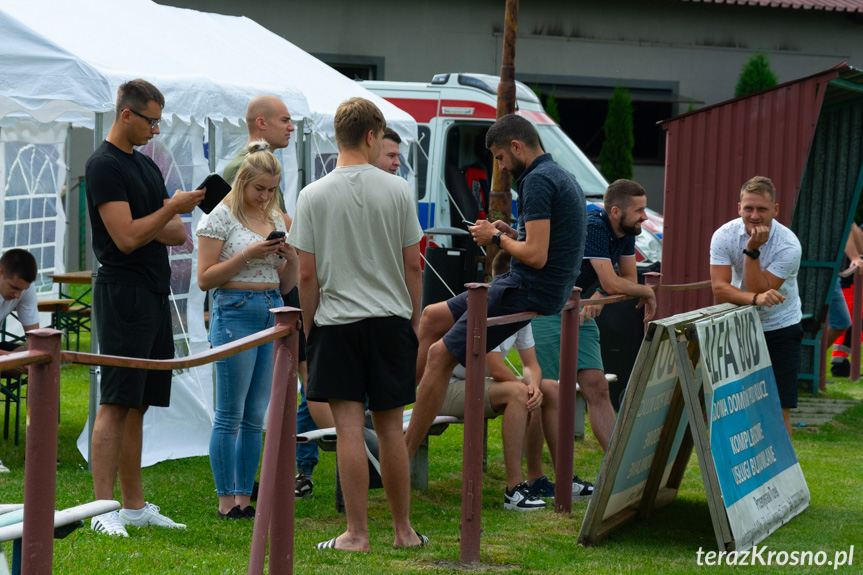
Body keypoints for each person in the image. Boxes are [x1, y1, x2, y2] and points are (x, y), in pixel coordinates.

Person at [405, 113, 586, 461]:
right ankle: (396, 405)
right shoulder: (561, 176)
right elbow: (547, 246)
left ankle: (402, 454)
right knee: (430, 316)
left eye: (501, 158)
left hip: (529, 288)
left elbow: (535, 256)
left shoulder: (536, 181)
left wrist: (496, 237)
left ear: (517, 147)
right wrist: (511, 232)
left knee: (439, 354)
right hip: (535, 284)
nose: (500, 167)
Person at [288, 97, 426, 551]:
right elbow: (413, 267)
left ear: (337, 136)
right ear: (372, 136)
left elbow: (305, 275)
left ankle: (357, 534)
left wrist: (311, 327)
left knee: (348, 428)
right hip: (390, 321)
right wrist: (413, 318)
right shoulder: (398, 190)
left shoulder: (312, 195)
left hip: (337, 323)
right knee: (390, 428)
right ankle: (404, 531)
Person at [85, 79, 205, 537]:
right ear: (126, 115)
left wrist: (159, 215)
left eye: (160, 120)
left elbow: (177, 234)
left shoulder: (148, 167)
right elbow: (126, 238)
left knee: (139, 405)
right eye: (151, 120)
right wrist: (165, 211)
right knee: (115, 402)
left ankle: (133, 506)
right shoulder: (103, 166)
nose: (156, 128)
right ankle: (100, 508)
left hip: (153, 294)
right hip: (123, 294)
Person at [222, 95, 322, 499]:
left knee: (286, 387)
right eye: (285, 120)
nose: (291, 127)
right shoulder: (239, 168)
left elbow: (274, 224)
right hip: (245, 300)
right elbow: (225, 237)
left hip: (275, 290)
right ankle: (241, 489)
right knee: (240, 409)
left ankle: (274, 473)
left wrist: (290, 247)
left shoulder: (265, 170)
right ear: (260, 123)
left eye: (271, 190)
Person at [197, 140, 298, 520]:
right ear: (241, 182)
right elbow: (205, 279)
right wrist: (247, 255)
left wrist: (288, 258)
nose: (266, 196)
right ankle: (226, 500)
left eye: (272, 189)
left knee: (256, 414)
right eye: (260, 189)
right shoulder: (219, 217)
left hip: (270, 308)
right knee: (230, 413)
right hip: (233, 310)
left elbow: (286, 284)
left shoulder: (275, 218)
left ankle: (244, 498)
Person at [532, 179, 657, 452]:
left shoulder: (627, 229)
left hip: (577, 306)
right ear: (615, 212)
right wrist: (646, 293)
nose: (644, 217)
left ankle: (616, 474)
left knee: (597, 386)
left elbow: (627, 278)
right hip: (544, 307)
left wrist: (602, 292)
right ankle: (535, 478)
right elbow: (620, 284)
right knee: (544, 392)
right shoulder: (595, 225)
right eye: (639, 211)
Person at [439, 251, 546, 510]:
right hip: (446, 387)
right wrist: (526, 389)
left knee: (549, 389)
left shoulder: (520, 307)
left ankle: (537, 479)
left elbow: (531, 365)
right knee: (518, 394)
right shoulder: (491, 304)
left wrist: (534, 386)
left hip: (476, 381)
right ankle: (514, 489)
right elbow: (497, 369)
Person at [710, 176, 802, 437]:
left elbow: (759, 287)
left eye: (762, 209)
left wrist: (752, 250)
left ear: (776, 209)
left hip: (782, 326)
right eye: (748, 208)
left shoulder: (789, 244)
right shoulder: (724, 235)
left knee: (778, 407)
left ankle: (784, 475)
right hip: (740, 324)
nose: (754, 215)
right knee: (739, 404)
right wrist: (753, 301)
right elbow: (719, 289)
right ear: (738, 208)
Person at [0, 249, 39, 473]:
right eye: (13, 288)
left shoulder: (26, 289)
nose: (17, 296)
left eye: (21, 290)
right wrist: (15, 358)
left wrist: (34, 356)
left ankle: (40, 450)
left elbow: (34, 339)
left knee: (42, 366)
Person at [828, 224, 863, 378]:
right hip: (849, 281)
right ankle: (839, 364)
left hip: (849, 279)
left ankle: (839, 363)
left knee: (850, 322)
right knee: (849, 322)